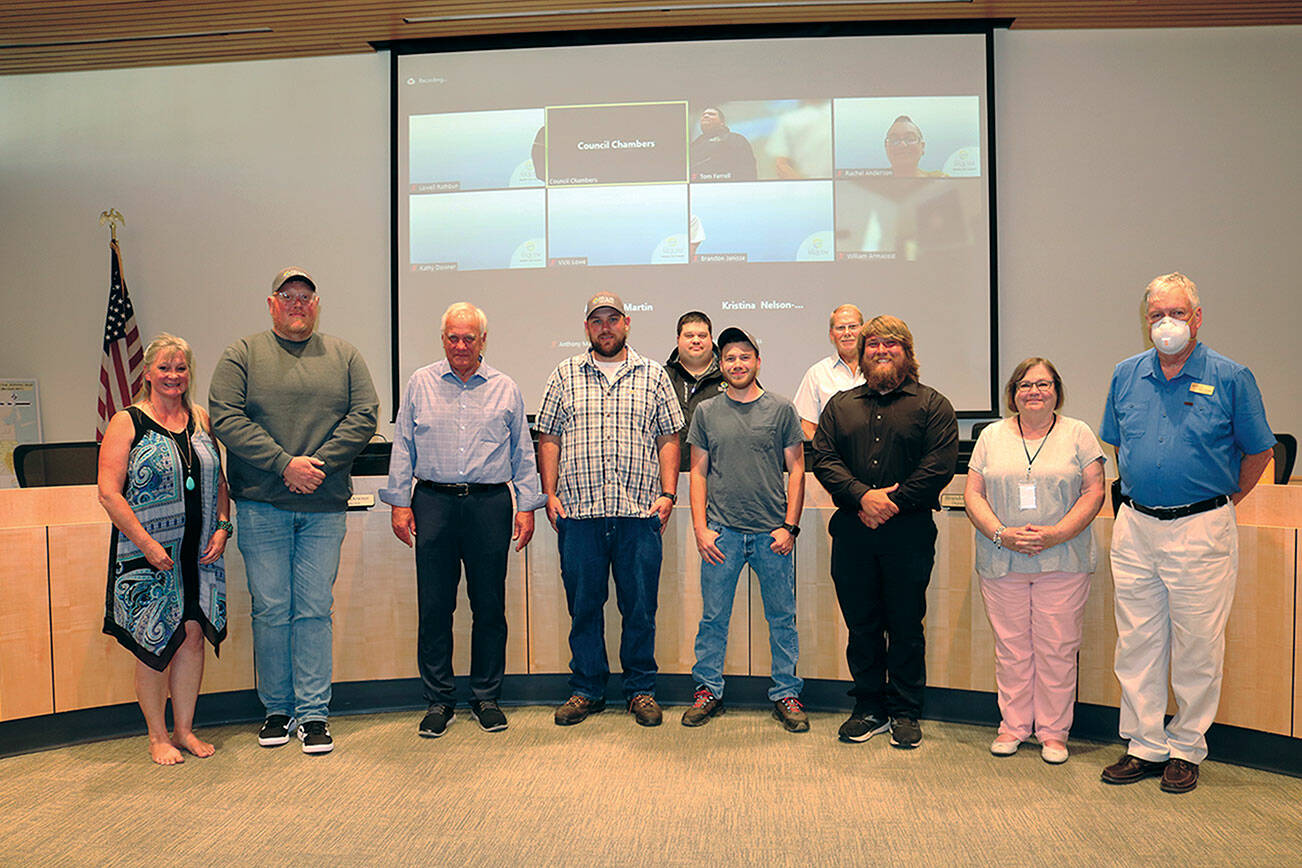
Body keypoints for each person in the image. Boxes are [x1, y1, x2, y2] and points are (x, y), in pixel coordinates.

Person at [1099, 272, 1274, 794]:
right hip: (1136, 525)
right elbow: (1119, 443)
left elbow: (1260, 451)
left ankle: (1186, 748)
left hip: (1201, 527)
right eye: (1157, 315)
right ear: (1145, 320)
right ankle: (1144, 744)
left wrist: (1219, 504)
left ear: (1197, 318)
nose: (1167, 323)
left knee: (1198, 645)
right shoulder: (1126, 374)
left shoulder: (1231, 376)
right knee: (1137, 641)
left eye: (1177, 313)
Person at [209, 267, 378, 755]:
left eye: (305, 296)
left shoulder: (345, 356)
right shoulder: (242, 355)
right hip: (262, 506)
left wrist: (314, 466)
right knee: (271, 609)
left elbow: (364, 416)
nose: (297, 303)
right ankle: (277, 710)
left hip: (324, 507)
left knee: (314, 610)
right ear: (271, 304)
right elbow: (225, 417)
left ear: (316, 304)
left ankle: (313, 713)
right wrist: (284, 464)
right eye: (288, 296)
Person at [380, 302, 544, 738]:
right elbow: (402, 445)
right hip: (432, 502)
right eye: (452, 337)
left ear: (483, 340)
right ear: (443, 339)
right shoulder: (420, 382)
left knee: (489, 606)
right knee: (435, 607)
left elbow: (522, 452)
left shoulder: (506, 388)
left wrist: (527, 506)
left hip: (489, 506)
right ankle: (439, 700)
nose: (460, 346)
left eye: (469, 338)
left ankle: (486, 696)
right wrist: (399, 502)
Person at [536, 292, 684, 727]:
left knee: (640, 609)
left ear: (627, 323)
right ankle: (587, 689)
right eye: (597, 320)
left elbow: (669, 437)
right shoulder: (564, 374)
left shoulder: (653, 375)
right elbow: (549, 437)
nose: (605, 327)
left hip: (638, 515)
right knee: (584, 608)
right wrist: (549, 493)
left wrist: (669, 493)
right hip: (579, 515)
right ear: (587, 327)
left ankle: (641, 690)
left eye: (612, 319)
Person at [810, 315, 957, 749]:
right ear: (862, 353)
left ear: (907, 352)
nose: (881, 350)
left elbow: (938, 466)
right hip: (853, 534)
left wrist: (889, 503)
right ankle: (869, 707)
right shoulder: (840, 406)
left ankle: (905, 711)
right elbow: (824, 459)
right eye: (873, 344)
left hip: (909, 534)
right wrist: (862, 497)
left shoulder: (933, 405)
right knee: (863, 626)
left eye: (891, 344)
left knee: (906, 625)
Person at [963, 358, 1105, 764]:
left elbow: (1094, 492)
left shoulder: (1078, 433)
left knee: (1057, 649)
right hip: (1001, 558)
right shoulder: (991, 436)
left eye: (1043, 384)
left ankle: (1054, 733)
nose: (1034, 392)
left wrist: (1056, 533)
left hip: (1062, 558)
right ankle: (1013, 727)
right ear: (1013, 393)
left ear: (1057, 390)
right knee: (1011, 649)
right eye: (1025, 385)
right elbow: (973, 494)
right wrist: (1000, 533)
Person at [98, 333, 230, 765]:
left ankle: (184, 730)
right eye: (165, 368)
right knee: (155, 643)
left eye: (181, 368)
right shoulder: (127, 421)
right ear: (149, 374)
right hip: (148, 554)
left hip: (200, 554)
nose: (174, 375)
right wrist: (148, 544)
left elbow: (220, 482)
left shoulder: (201, 419)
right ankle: (157, 736)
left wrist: (223, 527)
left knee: (191, 636)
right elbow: (108, 492)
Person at [683, 327, 808, 731]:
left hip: (772, 536)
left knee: (783, 619)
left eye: (744, 357)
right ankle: (707, 691)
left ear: (758, 361)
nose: (737, 364)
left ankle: (786, 693)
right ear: (721, 365)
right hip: (722, 535)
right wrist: (701, 529)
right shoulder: (706, 412)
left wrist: (790, 527)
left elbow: (797, 470)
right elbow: (697, 473)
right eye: (730, 358)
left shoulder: (782, 409)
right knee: (713, 619)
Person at [793, 304, 866, 439]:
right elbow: (808, 427)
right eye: (840, 328)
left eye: (853, 326)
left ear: (863, 330)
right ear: (831, 335)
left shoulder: (878, 371)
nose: (847, 333)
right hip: (831, 452)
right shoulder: (816, 374)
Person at [664, 310, 726, 444]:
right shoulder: (662, 378)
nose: (696, 340)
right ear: (678, 340)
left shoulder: (730, 376)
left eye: (702, 336)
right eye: (689, 336)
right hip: (675, 457)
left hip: (721, 457)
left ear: (711, 339)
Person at [769, 99, 833, 179]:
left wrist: (804, 184)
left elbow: (781, 165)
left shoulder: (788, 120)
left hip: (804, 183)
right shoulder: (842, 114)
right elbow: (781, 164)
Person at [690, 106, 757, 181]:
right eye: (703, 115)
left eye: (711, 114)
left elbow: (748, 168)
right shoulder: (695, 144)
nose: (706, 116)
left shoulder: (736, 139)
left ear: (722, 123)